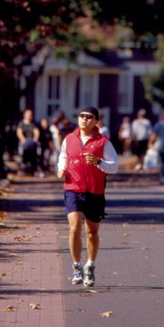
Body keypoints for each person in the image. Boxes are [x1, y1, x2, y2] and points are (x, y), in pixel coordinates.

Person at [57, 106, 119, 287]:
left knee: (92, 232)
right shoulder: (69, 139)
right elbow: (63, 156)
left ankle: (90, 266)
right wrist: (61, 168)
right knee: (74, 228)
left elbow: (114, 166)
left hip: (95, 191)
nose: (84, 119)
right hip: (72, 187)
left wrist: (99, 162)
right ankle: (76, 266)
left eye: (89, 117)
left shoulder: (103, 142)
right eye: (81, 116)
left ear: (96, 121)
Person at [16, 109, 40, 175]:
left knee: (34, 153)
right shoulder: (21, 124)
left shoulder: (33, 124)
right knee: (24, 153)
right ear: (25, 115)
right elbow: (19, 132)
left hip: (32, 142)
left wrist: (35, 139)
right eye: (28, 115)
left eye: (31, 115)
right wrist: (23, 140)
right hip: (24, 142)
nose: (30, 116)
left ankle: (33, 168)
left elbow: (36, 132)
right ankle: (23, 166)